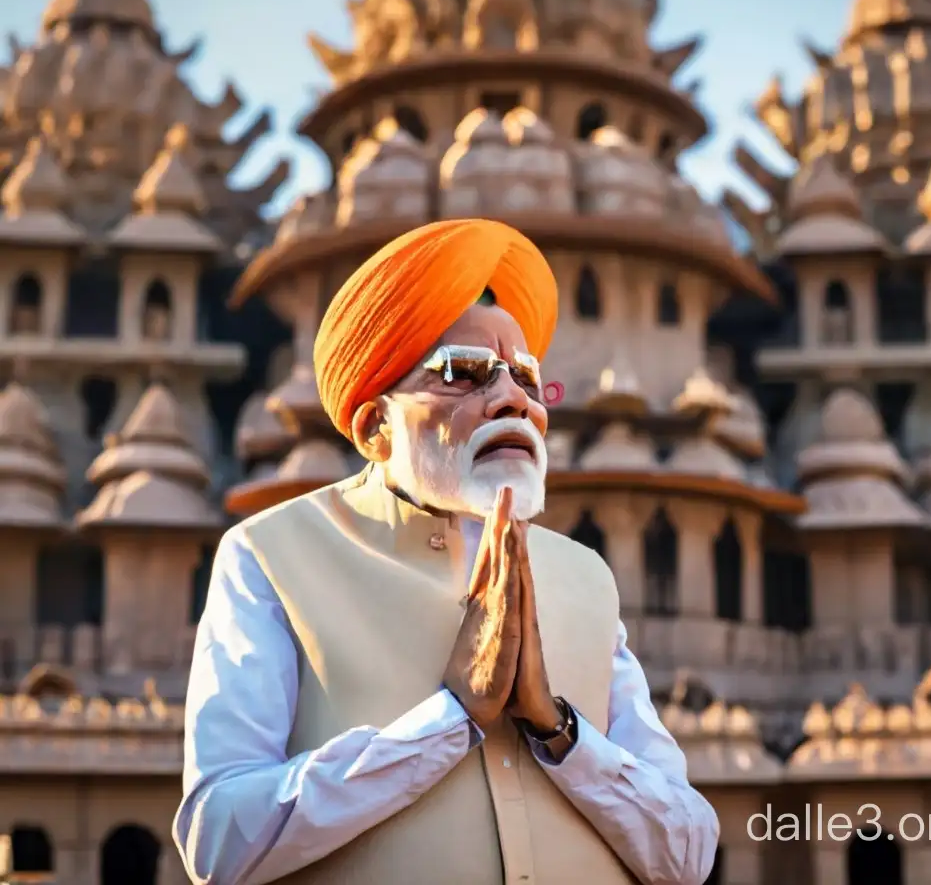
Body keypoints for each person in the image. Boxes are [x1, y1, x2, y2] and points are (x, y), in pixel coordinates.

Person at [173, 218, 719, 885]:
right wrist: (452, 716)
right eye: (463, 373)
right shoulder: (272, 558)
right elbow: (220, 842)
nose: (510, 400)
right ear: (375, 425)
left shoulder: (582, 577)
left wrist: (557, 730)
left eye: (525, 377)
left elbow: (688, 855)